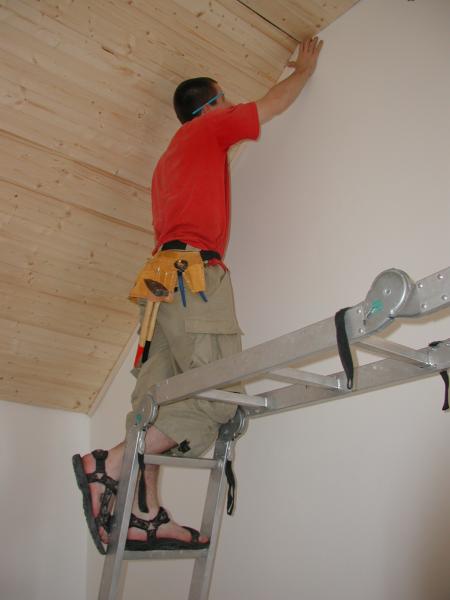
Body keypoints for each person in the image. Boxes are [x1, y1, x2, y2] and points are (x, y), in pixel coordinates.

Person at [73, 37, 323, 554]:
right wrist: (302, 70)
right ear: (209, 107)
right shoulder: (207, 129)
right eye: (224, 99)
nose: (230, 106)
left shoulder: (167, 161)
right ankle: (109, 464)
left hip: (158, 286)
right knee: (218, 397)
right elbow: (272, 103)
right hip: (193, 275)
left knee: (154, 401)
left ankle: (144, 513)